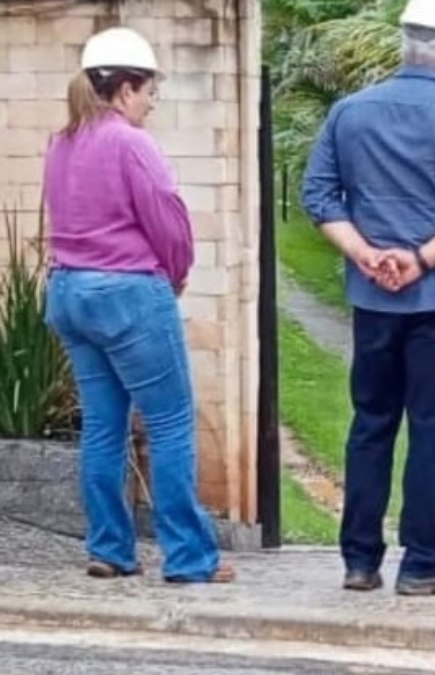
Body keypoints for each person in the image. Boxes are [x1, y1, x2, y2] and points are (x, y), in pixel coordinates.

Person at [300, 0, 435, 595]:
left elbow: (319, 196)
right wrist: (419, 259)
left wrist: (366, 255)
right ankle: (422, 563)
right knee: (433, 429)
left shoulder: (349, 112)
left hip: (374, 301)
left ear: (404, 45)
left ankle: (360, 560)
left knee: (371, 423)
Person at [42, 27, 233, 584]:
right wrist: (174, 276)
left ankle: (110, 550)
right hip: (126, 294)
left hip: (69, 292)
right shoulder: (131, 142)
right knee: (171, 422)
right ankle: (191, 558)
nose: (152, 102)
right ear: (125, 88)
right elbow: (168, 220)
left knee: (104, 426)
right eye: (150, 90)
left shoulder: (62, 141)